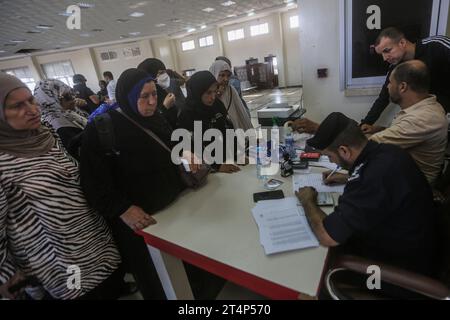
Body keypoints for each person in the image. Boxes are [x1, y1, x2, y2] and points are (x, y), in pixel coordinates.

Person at [0, 72, 122, 300]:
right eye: (17, 106)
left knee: (109, 291)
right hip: (57, 261)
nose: (32, 109)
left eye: (31, 100)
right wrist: (6, 275)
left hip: (94, 242)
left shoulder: (45, 137)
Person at [80, 68, 188, 300]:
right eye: (144, 96)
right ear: (127, 96)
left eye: (154, 95)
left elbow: (171, 147)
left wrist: (187, 156)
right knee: (157, 282)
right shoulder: (101, 128)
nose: (151, 102)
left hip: (176, 211)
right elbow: (93, 183)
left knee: (184, 277)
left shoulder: (155, 117)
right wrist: (122, 209)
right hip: (141, 225)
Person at [295, 113, 437, 289]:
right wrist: (348, 177)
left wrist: (307, 200)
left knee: (311, 274)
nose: (332, 162)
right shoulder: (388, 152)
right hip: (414, 249)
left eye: (330, 157)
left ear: (344, 151)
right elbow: (382, 185)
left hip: (395, 272)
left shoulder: (371, 179)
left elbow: (327, 236)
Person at [368, 60, 447, 185]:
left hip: (410, 189)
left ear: (402, 87)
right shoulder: (430, 105)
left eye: (390, 82)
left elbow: (369, 147)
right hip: (401, 177)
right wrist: (379, 129)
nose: (388, 86)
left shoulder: (421, 118)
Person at [360, 27, 450, 134]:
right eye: (382, 54)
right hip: (432, 117)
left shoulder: (437, 46)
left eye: (387, 50)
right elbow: (384, 97)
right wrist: (365, 123)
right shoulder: (396, 67)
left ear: (402, 42)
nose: (384, 58)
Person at [177, 71, 241, 174]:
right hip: (205, 171)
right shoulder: (187, 114)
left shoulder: (217, 105)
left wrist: (238, 153)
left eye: (214, 91)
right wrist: (216, 166)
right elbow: (188, 149)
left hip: (228, 162)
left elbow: (228, 130)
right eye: (208, 93)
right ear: (198, 91)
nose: (213, 97)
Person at [34, 79, 89, 152]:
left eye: (71, 94)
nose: (73, 99)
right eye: (68, 97)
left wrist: (85, 107)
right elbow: (84, 149)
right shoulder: (59, 124)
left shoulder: (67, 113)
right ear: (52, 99)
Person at [137, 58, 185, 128]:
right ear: (152, 75)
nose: (165, 75)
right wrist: (165, 107)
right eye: (161, 73)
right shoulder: (145, 95)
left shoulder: (161, 90)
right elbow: (153, 122)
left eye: (164, 72)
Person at [209, 60, 253, 130]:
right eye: (222, 75)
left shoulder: (231, 90)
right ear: (215, 73)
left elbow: (240, 111)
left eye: (228, 75)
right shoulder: (207, 91)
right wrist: (217, 94)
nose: (226, 79)